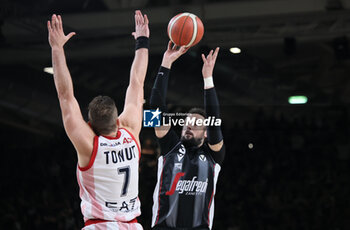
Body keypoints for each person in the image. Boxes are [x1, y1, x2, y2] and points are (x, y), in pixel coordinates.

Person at [47, 10, 149, 230]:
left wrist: (57, 48)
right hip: (132, 225)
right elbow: (137, 83)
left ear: (90, 125)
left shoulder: (89, 145)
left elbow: (65, 96)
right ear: (118, 120)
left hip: (100, 226)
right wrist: (142, 41)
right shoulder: (131, 131)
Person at [149, 42, 225, 230]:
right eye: (187, 122)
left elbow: (215, 119)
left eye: (197, 123)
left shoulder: (214, 156)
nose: (190, 125)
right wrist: (166, 62)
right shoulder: (170, 145)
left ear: (207, 133)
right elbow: (155, 106)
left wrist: (208, 79)